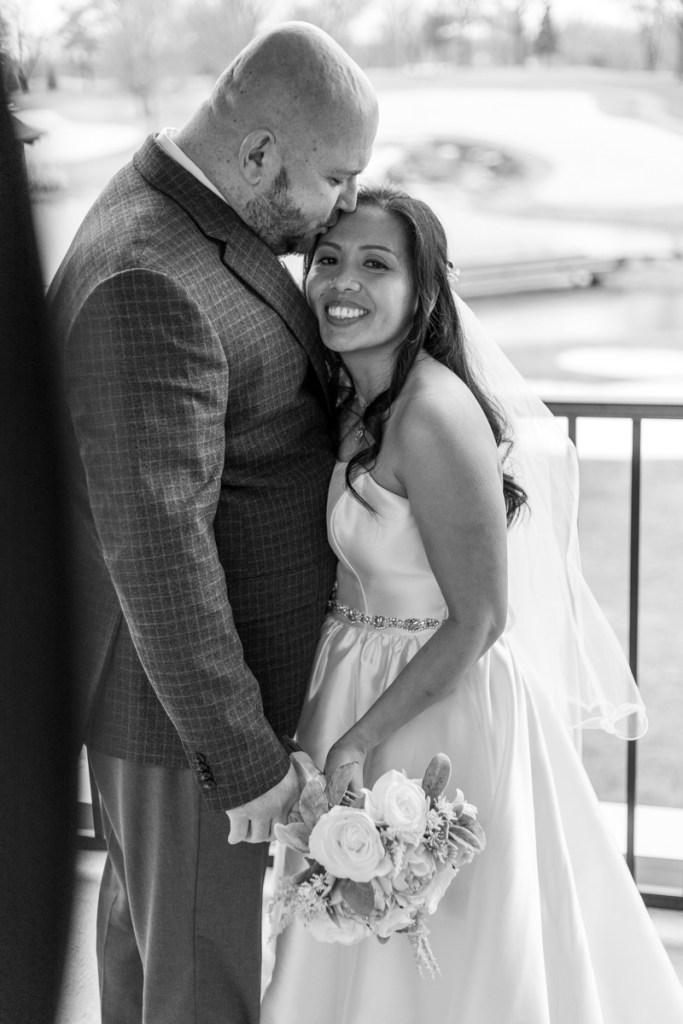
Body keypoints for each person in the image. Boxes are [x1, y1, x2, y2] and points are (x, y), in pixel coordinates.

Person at [260, 185, 683, 1024]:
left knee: (444, 950)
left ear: (422, 291)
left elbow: (481, 618)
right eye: (329, 259)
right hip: (353, 679)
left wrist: (357, 739)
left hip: (433, 702)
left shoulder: (432, 413)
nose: (342, 281)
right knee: (347, 934)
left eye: (375, 264)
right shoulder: (350, 400)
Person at [48, 23, 378, 1024]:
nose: (346, 205)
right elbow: (160, 555)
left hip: (174, 723)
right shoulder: (151, 275)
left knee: (158, 973)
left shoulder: (187, 224)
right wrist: (244, 763)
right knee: (201, 992)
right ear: (261, 152)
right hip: (186, 733)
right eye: (335, 177)